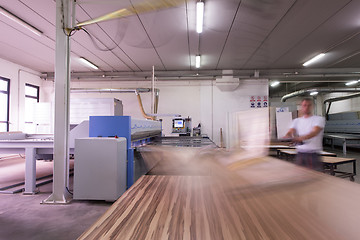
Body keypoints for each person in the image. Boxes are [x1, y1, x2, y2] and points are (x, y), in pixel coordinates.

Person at [283, 98, 325, 170]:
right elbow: (290, 131)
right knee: (300, 177)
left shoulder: (319, 119)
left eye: (309, 105)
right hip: (300, 154)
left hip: (313, 154)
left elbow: (314, 132)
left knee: (314, 178)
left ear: (312, 107)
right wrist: (287, 137)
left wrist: (300, 138)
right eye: (304, 105)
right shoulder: (296, 121)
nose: (306, 107)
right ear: (301, 107)